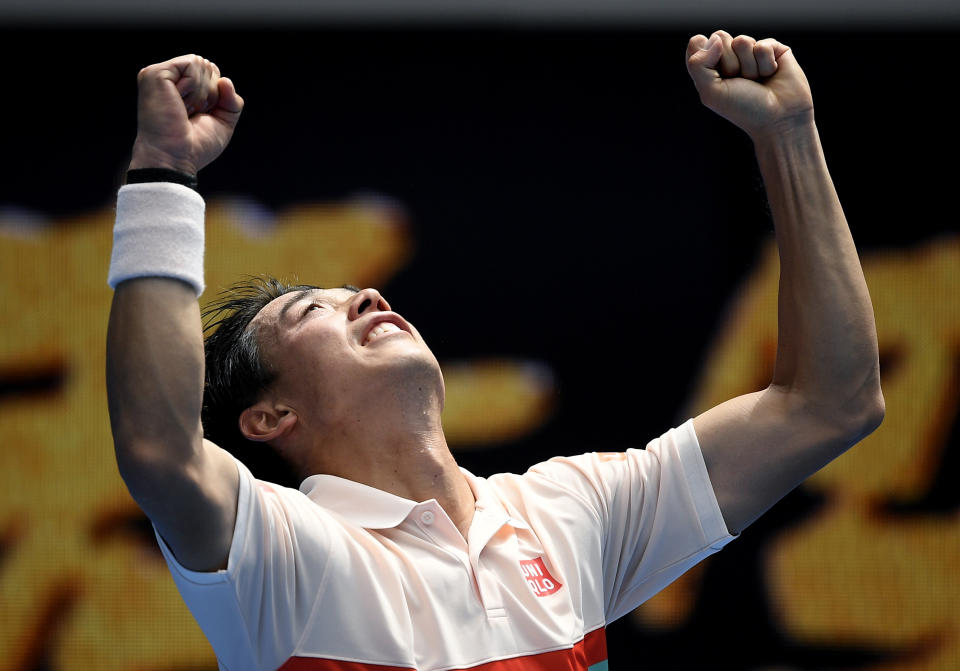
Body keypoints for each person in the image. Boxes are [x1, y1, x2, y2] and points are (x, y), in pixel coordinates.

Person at [106, 31, 884, 671]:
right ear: (269, 414)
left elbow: (830, 401)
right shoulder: (281, 557)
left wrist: (789, 136)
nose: (368, 298)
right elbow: (160, 448)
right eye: (317, 308)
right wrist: (165, 172)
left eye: (360, 293)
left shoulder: (570, 512)